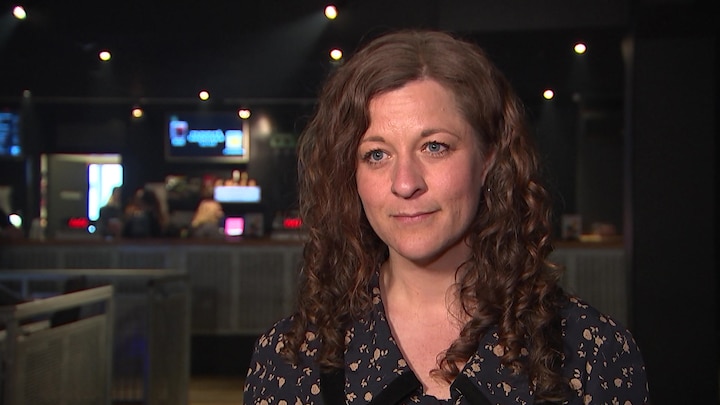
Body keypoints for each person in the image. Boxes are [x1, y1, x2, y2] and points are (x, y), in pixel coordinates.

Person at [243, 30, 648, 404]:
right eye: (377, 154)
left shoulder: (592, 353)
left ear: (488, 159)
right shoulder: (288, 360)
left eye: (434, 147)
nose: (405, 183)